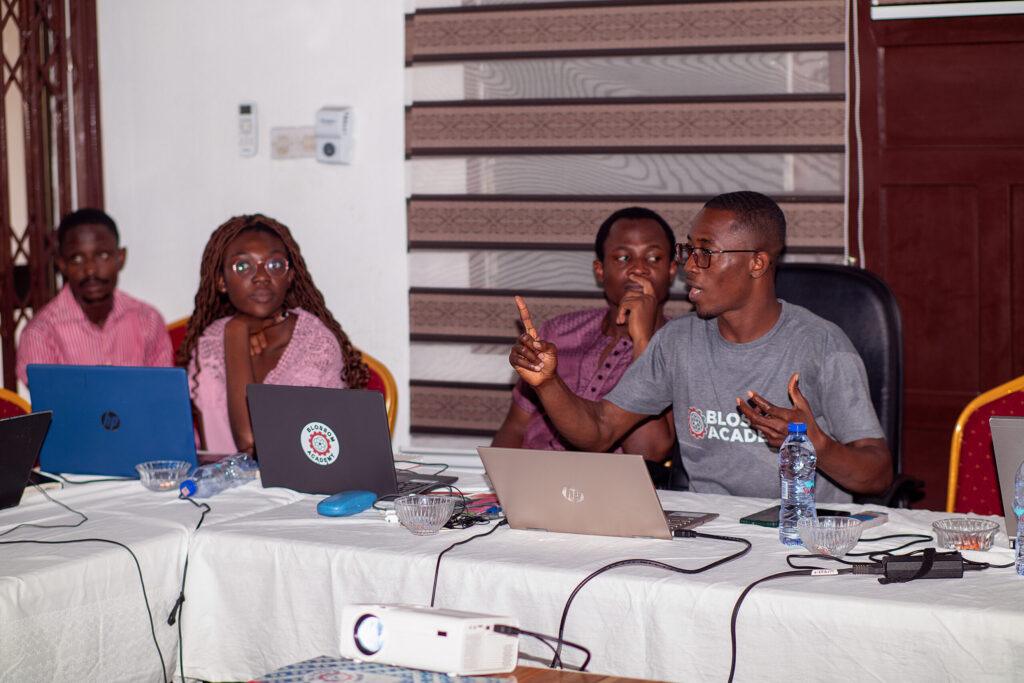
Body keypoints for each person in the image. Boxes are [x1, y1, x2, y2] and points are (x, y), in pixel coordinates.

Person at [508, 191, 893, 502]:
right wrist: (548, 384)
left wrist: (816, 444)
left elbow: (877, 474)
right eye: (688, 250)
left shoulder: (822, 345)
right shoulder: (678, 341)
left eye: (705, 253)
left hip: (798, 533)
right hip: (710, 536)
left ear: (757, 263)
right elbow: (599, 430)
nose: (690, 266)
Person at [492, 207, 677, 464]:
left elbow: (650, 452)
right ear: (600, 270)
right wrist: (503, 490)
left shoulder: (681, 344)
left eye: (653, 258)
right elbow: (515, 429)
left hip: (612, 493)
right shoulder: (557, 332)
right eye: (623, 258)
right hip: (534, 482)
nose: (638, 270)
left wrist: (643, 340)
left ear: (671, 270)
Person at [178, 214, 369, 454]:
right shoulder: (212, 339)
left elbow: (250, 444)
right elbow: (214, 448)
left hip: (297, 489)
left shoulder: (316, 345)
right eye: (243, 266)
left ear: (289, 277)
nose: (261, 277)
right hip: (220, 488)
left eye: (275, 265)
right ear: (221, 281)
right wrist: (233, 332)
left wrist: (236, 331)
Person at [16, 208, 172, 386]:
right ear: (62, 264)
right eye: (77, 259)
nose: (90, 270)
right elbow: (52, 406)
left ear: (120, 257)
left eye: (102, 256)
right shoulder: (40, 334)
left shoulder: (148, 320)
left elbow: (162, 394)